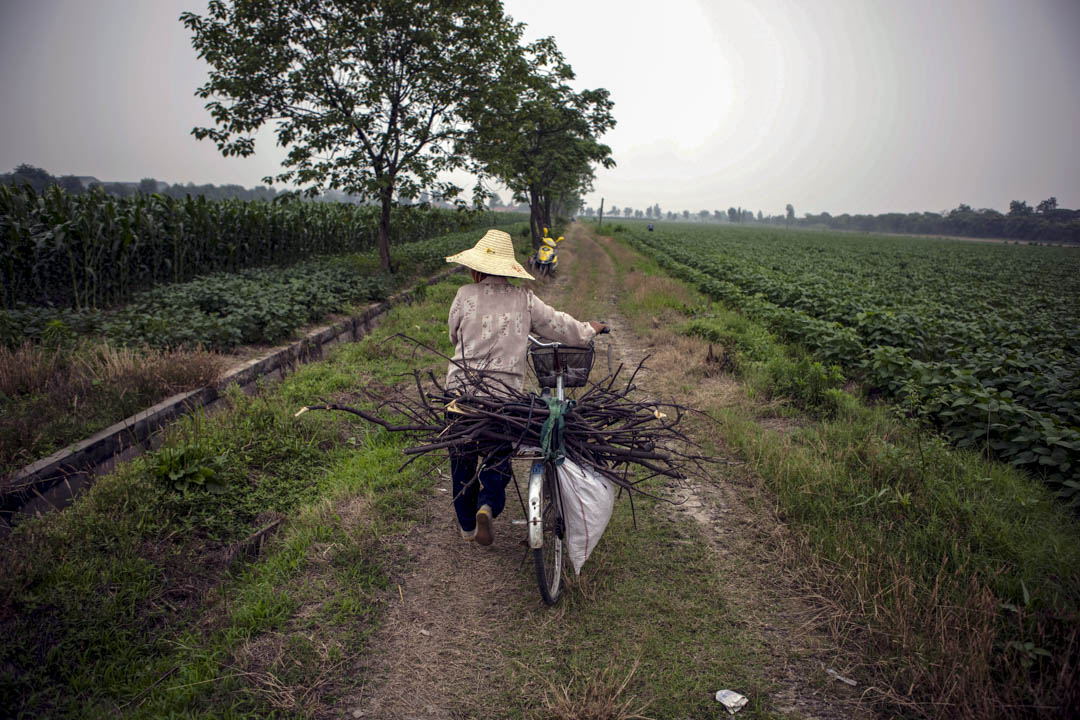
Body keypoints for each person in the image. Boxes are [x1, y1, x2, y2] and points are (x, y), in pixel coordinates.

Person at [444, 229, 605, 546]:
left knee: (461, 456)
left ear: (476, 270)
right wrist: (590, 329)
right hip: (503, 397)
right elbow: (560, 326)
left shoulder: (464, 295)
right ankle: (488, 504)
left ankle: (466, 525)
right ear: (507, 271)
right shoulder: (524, 300)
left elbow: (453, 335)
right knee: (498, 452)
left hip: (460, 393)